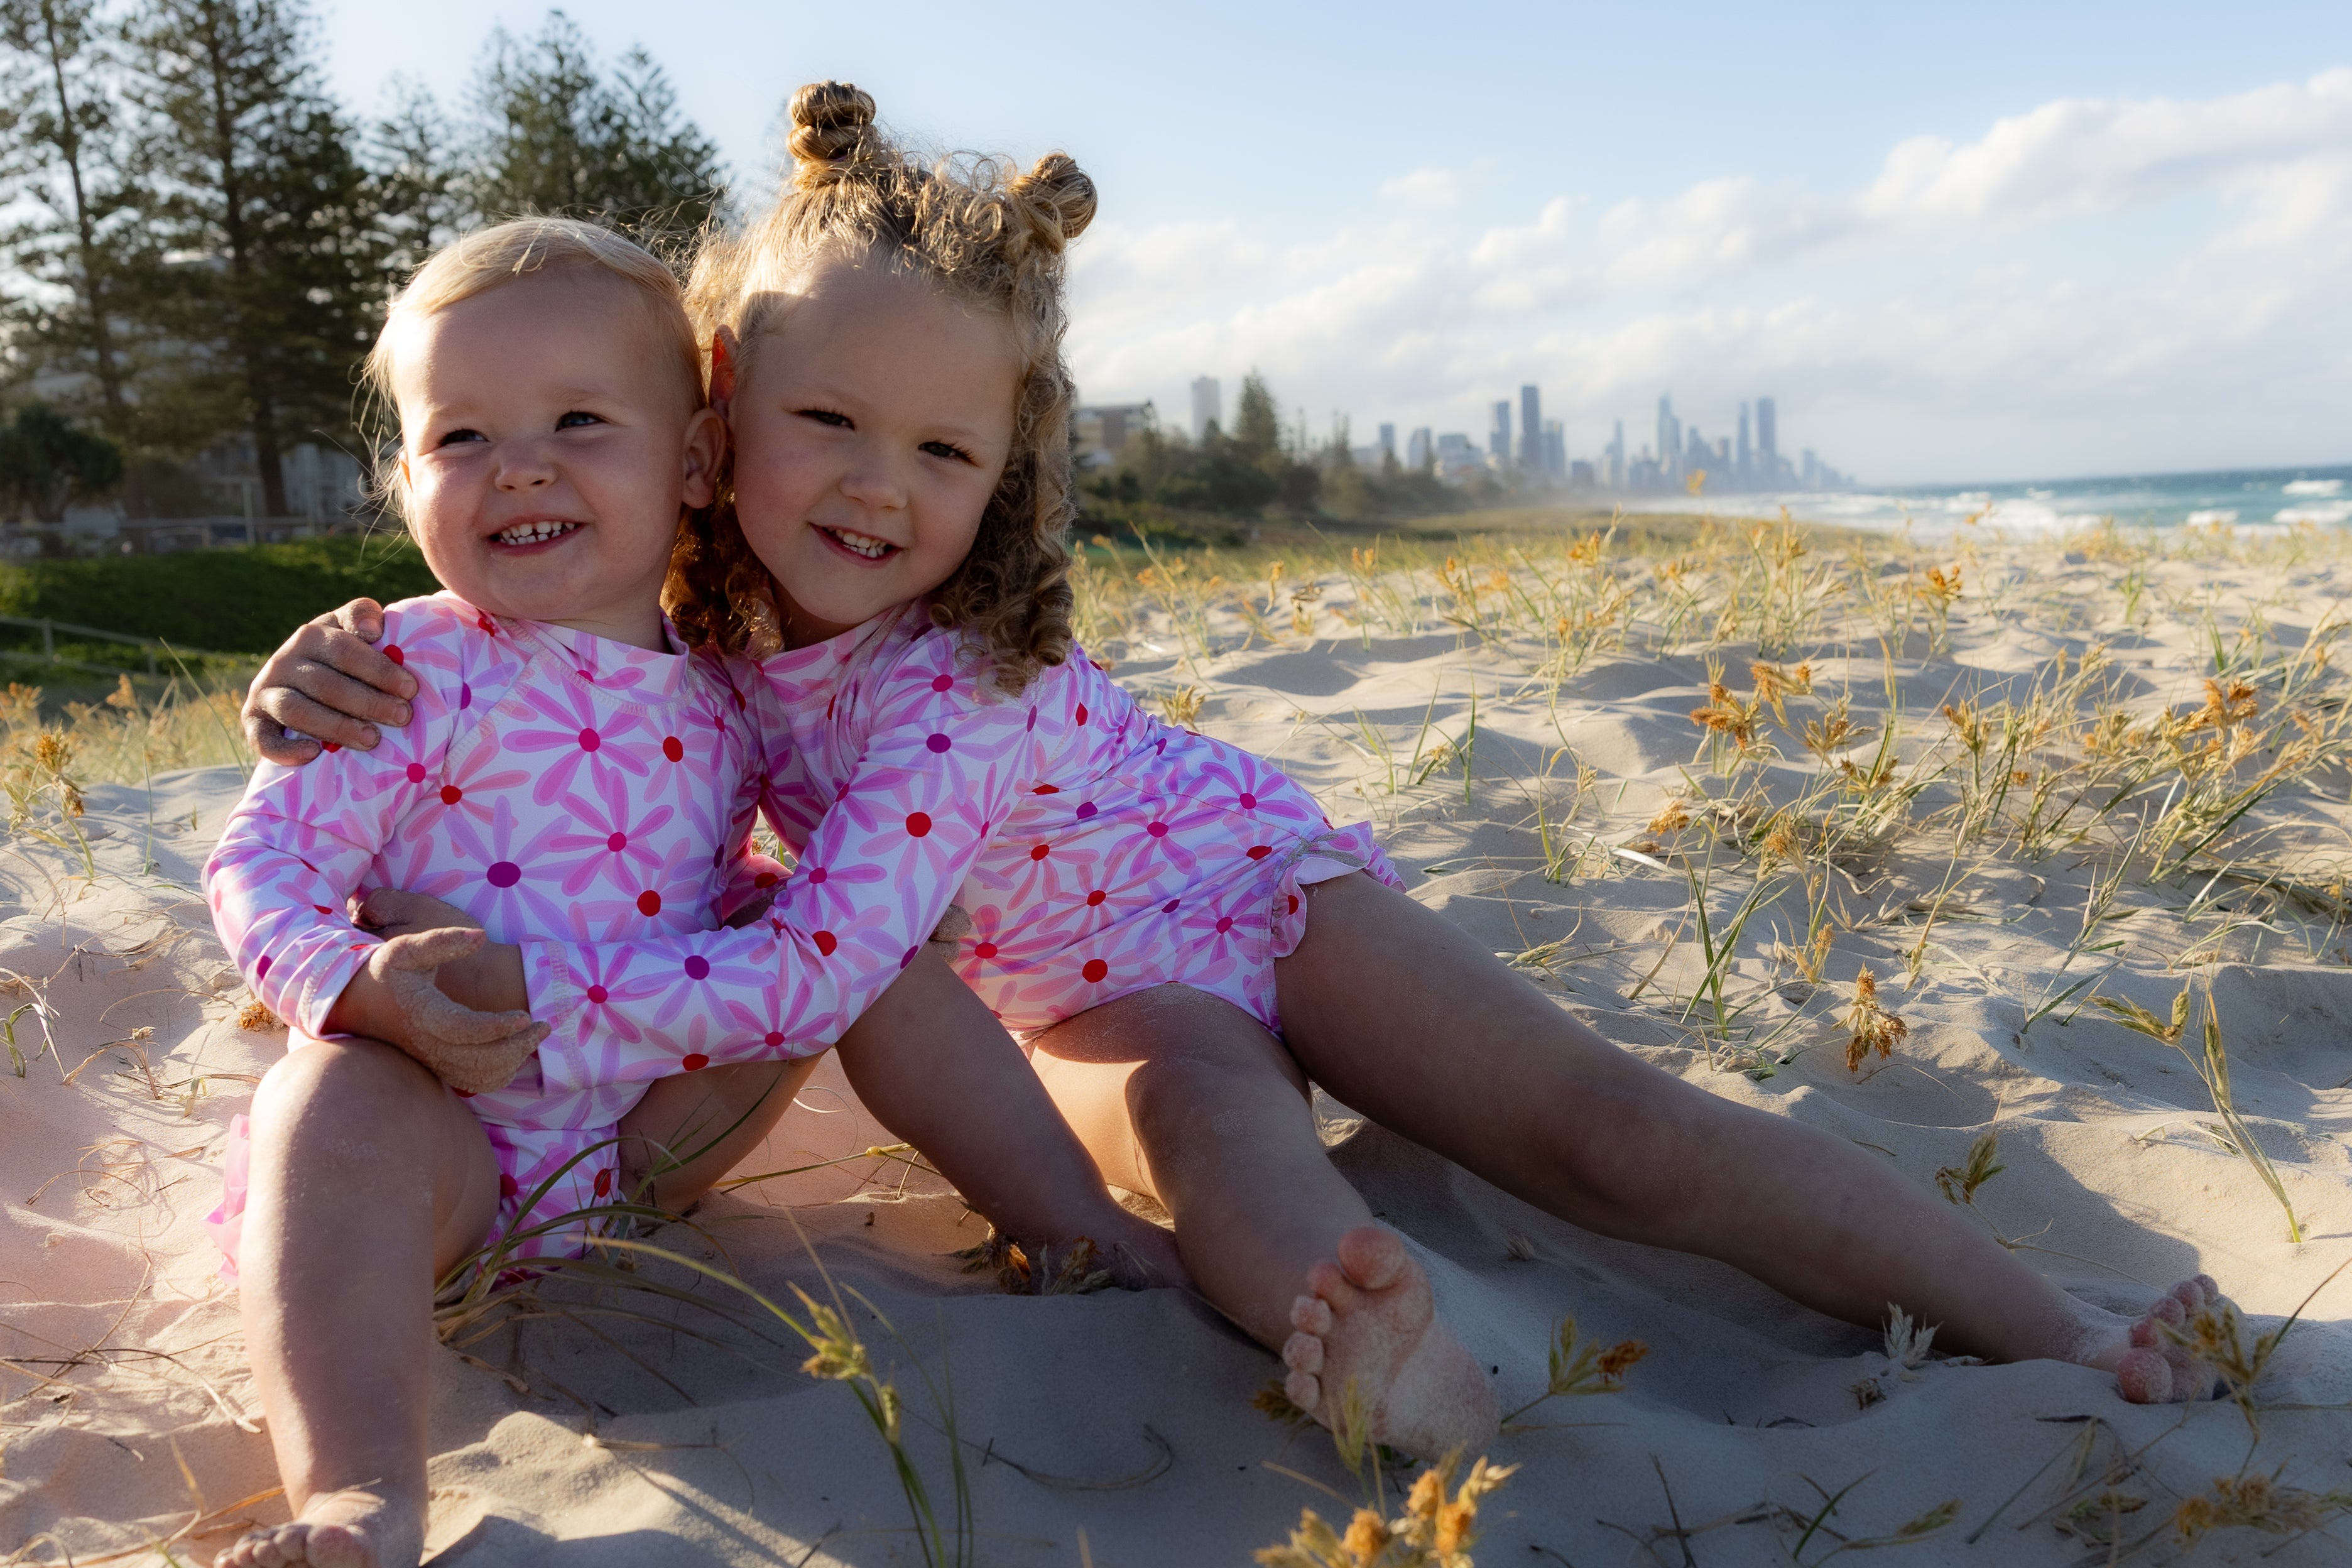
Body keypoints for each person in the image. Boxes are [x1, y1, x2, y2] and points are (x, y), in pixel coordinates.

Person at [245, 86, 2233, 1474]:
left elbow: (831, 956)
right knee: (1221, 1153)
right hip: (1088, 996)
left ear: (1007, 470)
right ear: (713, 424)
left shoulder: (957, 692)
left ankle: (2037, 1320)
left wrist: (532, 1007)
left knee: (1597, 1123)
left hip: (1261, 886)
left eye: (946, 455)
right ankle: (1390, 1368)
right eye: (827, 420)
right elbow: (520, 692)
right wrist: (317, 670)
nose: (876, 484)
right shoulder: (668, 627)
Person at [205, 217, 1175, 1568]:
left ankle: (1076, 1231)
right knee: (328, 1098)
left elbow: (772, 903)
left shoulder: (727, 691)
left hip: (647, 1148)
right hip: (447, 1142)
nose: (520, 465)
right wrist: (351, 985)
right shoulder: (403, 672)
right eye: (460, 438)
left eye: (580, 420)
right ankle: (360, 1489)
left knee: (861, 953)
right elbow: (261, 864)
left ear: (699, 459)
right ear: (406, 477)